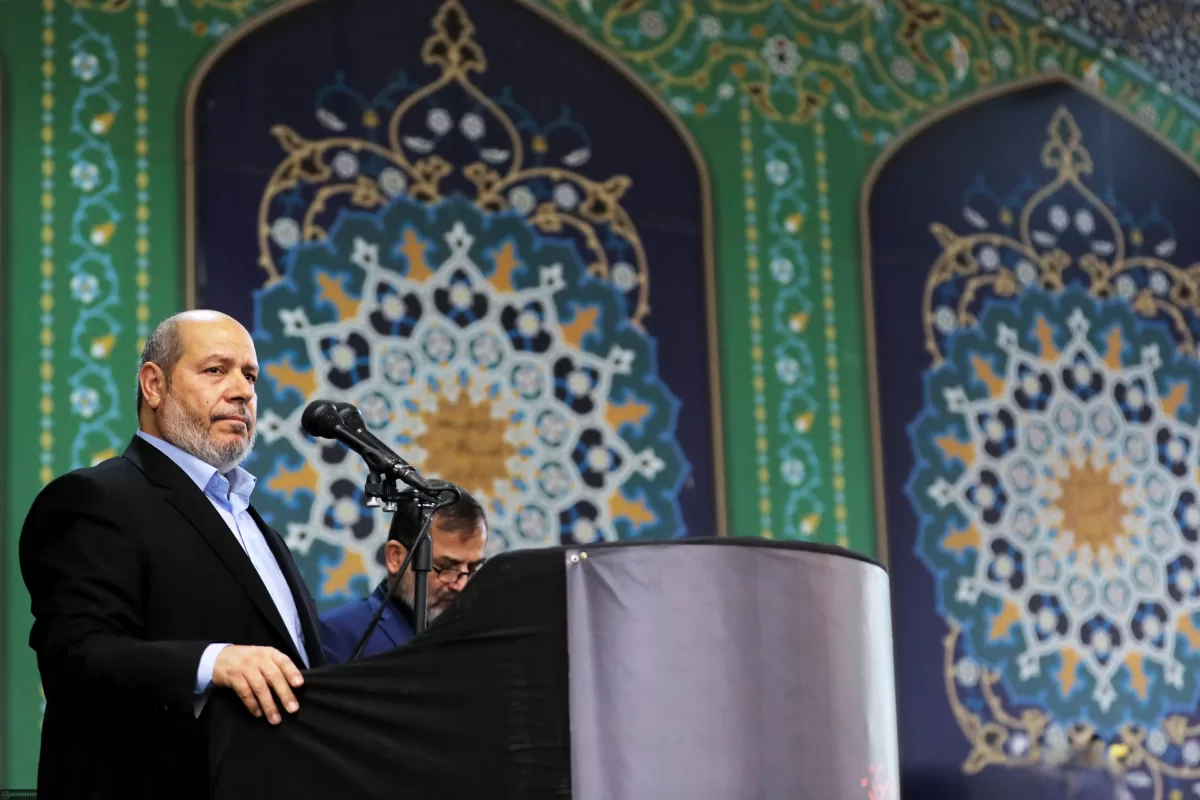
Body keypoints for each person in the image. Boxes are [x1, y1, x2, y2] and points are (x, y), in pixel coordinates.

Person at [20, 310, 326, 800]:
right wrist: (213, 662)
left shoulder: (256, 525)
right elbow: (76, 655)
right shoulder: (95, 498)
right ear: (154, 385)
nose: (242, 391)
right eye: (216, 370)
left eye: (250, 376)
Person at [320, 485, 487, 663]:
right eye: (445, 567)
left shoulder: (481, 641)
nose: (461, 585)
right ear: (396, 557)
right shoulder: (338, 634)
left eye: (473, 568)